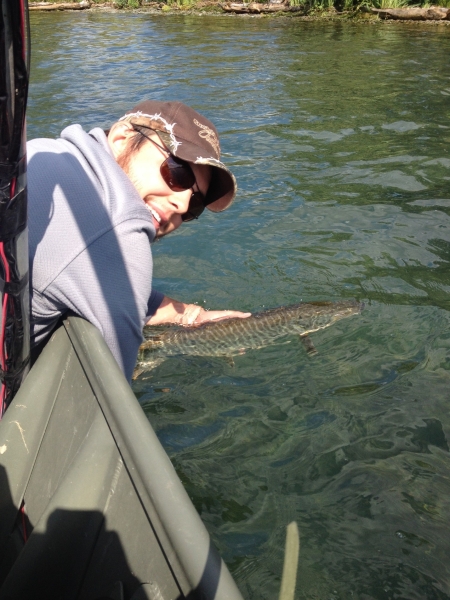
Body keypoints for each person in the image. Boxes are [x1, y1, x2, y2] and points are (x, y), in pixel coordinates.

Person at [27, 100, 250, 382]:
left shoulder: (45, 152)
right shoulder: (119, 230)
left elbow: (108, 279)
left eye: (196, 203)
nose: (182, 205)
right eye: (177, 172)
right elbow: (109, 400)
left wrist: (190, 315)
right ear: (122, 139)